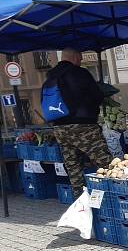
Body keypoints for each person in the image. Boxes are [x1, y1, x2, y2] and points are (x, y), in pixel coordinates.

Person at [44, 48, 112, 198]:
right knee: (105, 161)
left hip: (59, 128)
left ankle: (80, 201)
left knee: (73, 165)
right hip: (82, 126)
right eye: (80, 58)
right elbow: (96, 95)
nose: (80, 62)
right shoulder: (79, 73)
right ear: (74, 57)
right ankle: (114, 194)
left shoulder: (50, 76)